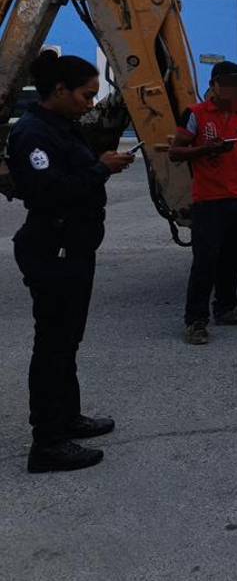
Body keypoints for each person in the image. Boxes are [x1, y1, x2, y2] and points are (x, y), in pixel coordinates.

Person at [6, 51, 136, 473]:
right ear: (59, 90)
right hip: (53, 251)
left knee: (67, 343)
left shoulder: (62, 126)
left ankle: (67, 418)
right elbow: (49, 193)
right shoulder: (33, 134)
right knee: (53, 347)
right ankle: (47, 443)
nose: (90, 104)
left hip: (73, 249)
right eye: (85, 95)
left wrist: (101, 164)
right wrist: (100, 170)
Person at [169, 61, 237, 345]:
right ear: (213, 86)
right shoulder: (196, 114)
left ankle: (227, 308)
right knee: (205, 262)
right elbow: (175, 152)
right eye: (226, 84)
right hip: (209, 202)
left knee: (234, 257)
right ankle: (195, 321)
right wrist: (205, 150)